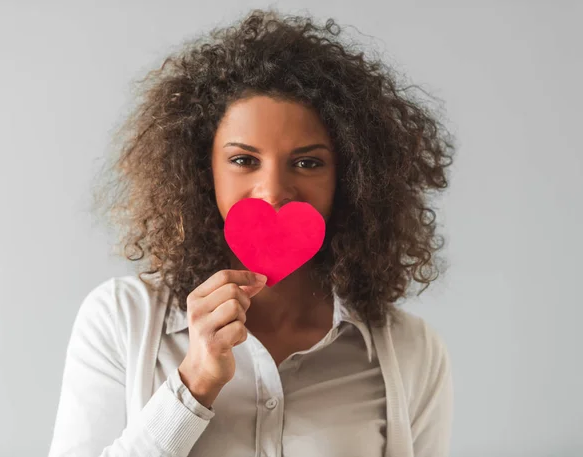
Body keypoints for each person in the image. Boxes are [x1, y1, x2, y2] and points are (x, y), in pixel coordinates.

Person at [48, 8, 456, 457]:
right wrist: (196, 381)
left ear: (352, 178)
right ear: (205, 172)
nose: (274, 192)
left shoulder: (412, 351)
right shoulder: (121, 319)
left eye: (307, 162)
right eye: (244, 160)